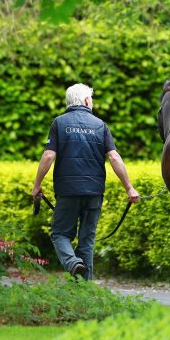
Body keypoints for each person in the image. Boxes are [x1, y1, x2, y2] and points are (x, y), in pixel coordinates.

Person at [31, 83, 140, 280]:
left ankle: (72, 263)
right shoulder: (100, 125)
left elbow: (48, 155)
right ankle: (86, 290)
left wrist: (37, 185)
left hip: (68, 191)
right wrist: (129, 188)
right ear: (87, 101)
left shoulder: (59, 123)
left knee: (60, 234)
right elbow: (114, 157)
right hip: (94, 192)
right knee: (87, 241)